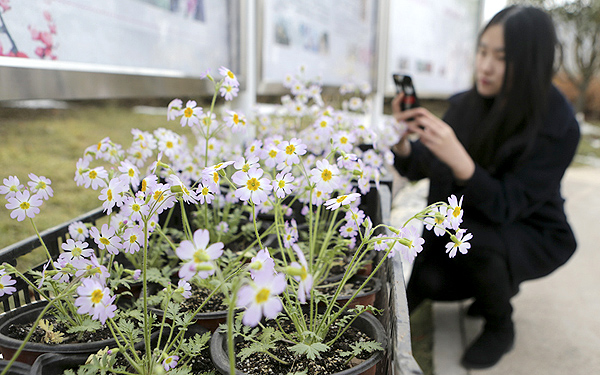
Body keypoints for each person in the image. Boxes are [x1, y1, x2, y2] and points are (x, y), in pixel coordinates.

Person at [391, 5, 580, 369]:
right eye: (482, 51)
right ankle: (493, 284)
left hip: (530, 229)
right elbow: (426, 164)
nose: (486, 66)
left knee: (476, 241)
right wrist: (402, 143)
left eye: (501, 57)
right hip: (473, 220)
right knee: (429, 279)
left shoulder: (558, 126)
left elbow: (507, 205)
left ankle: (500, 325)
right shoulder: (468, 105)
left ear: (531, 62)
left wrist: (460, 160)